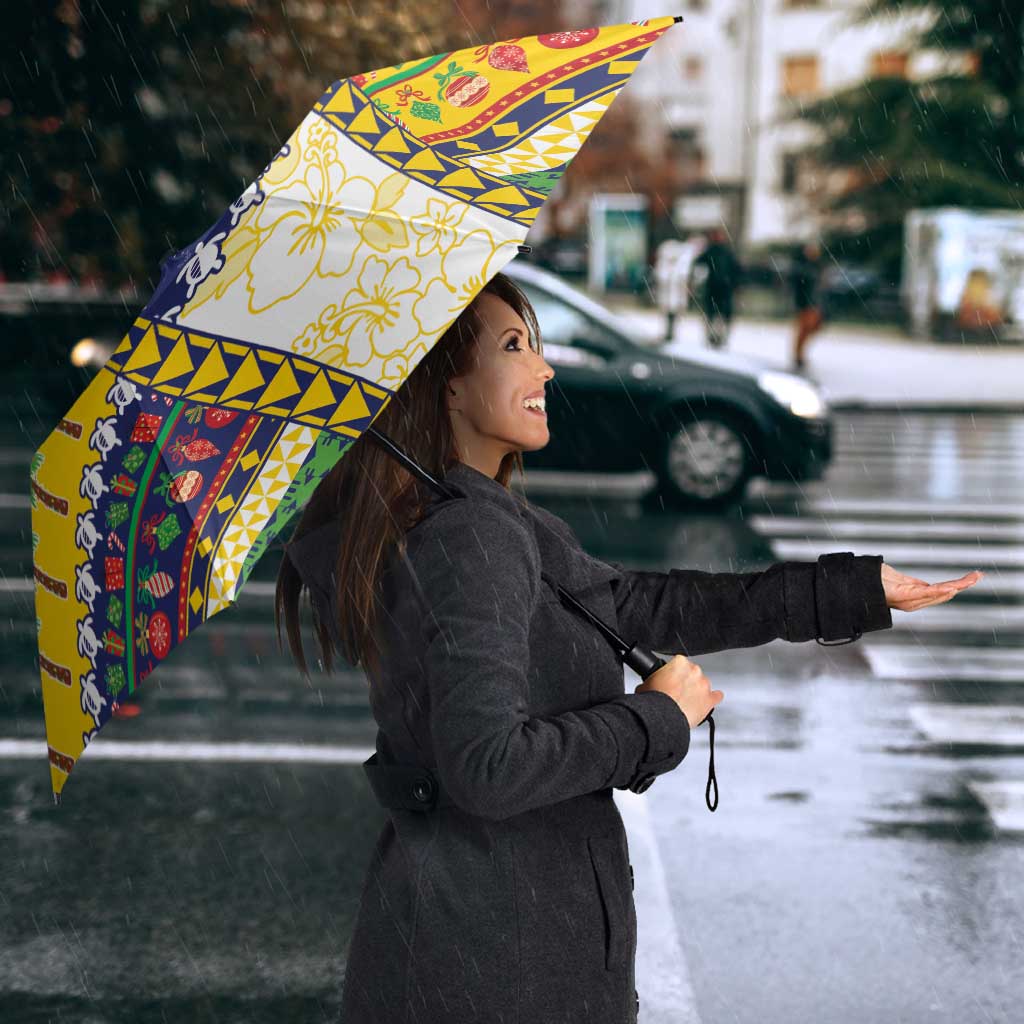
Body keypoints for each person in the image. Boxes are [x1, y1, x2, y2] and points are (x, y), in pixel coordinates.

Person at [276, 271, 982, 1024]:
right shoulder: (470, 536)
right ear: (447, 386)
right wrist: (655, 719)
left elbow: (642, 606)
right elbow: (487, 767)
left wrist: (849, 590)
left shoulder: (479, 519)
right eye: (514, 346)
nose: (544, 367)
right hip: (496, 962)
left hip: (478, 943)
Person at [692, 226, 743, 349]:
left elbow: (736, 269)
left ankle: (719, 337)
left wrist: (736, 284)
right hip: (715, 288)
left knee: (721, 314)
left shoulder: (725, 252)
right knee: (713, 314)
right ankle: (713, 337)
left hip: (723, 288)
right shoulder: (713, 251)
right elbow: (698, 263)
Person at [790, 239, 826, 371]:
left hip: (814, 303)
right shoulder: (802, 267)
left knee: (812, 328)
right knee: (804, 329)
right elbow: (799, 286)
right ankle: (798, 355)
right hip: (805, 303)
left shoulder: (817, 266)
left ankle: (800, 354)